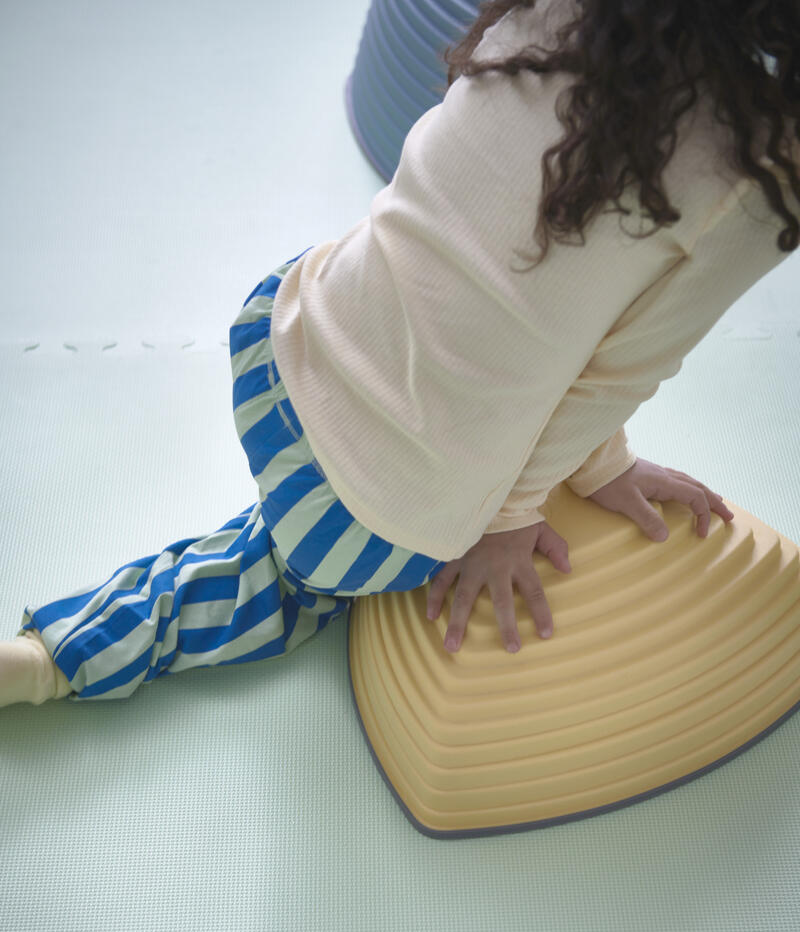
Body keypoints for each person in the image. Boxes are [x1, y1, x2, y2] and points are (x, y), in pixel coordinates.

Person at [1, 0, 798, 708]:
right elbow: (617, 369)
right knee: (279, 583)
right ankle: (46, 666)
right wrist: (509, 520)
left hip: (282, 329)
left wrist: (599, 467)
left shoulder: (566, 18)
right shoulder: (761, 175)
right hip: (363, 507)